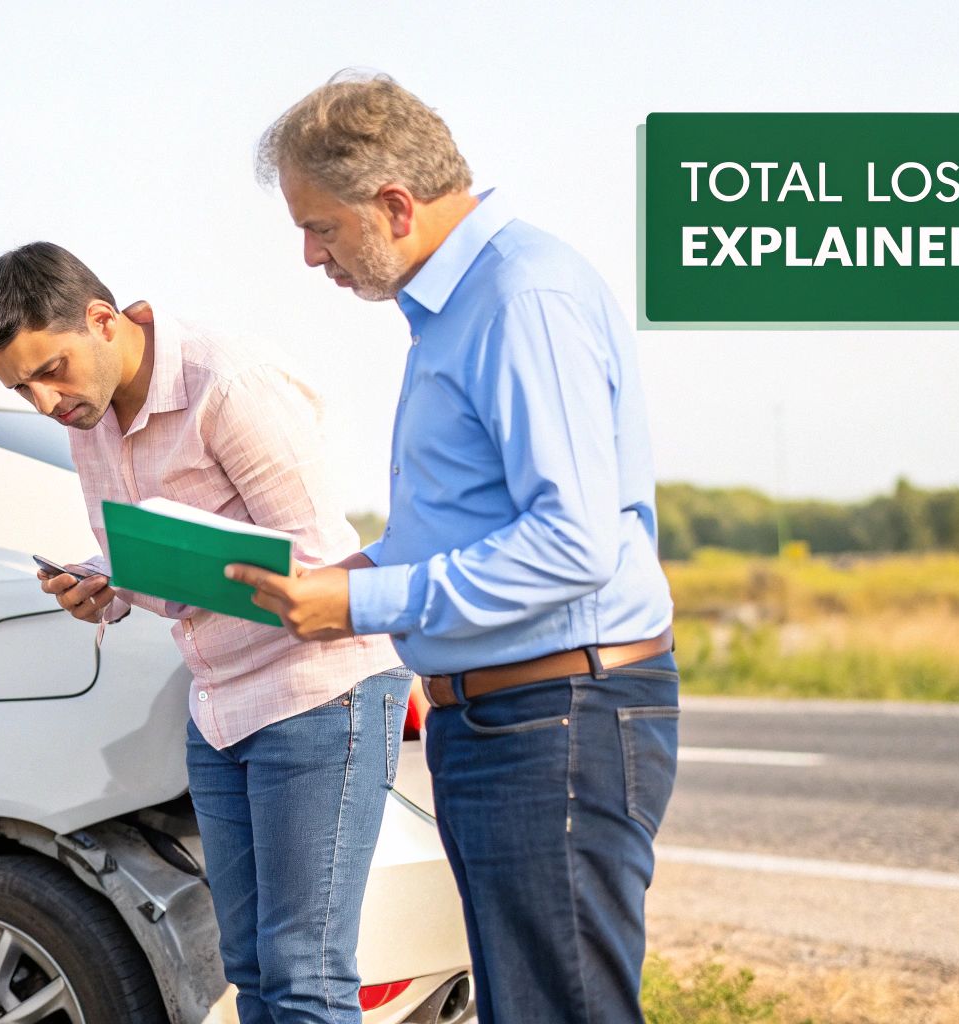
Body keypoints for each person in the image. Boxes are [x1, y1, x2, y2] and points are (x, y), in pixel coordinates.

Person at [228, 72, 680, 1024]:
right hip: (501, 721)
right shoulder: (459, 307)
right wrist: (338, 579)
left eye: (321, 228)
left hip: (556, 713)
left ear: (394, 205)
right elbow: (462, 526)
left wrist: (362, 606)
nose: (312, 257)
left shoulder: (522, 298)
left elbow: (572, 543)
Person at [0, 241, 409, 1024]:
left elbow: (316, 561)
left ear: (102, 321)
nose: (44, 401)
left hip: (318, 689)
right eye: (20, 387)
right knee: (250, 966)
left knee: (305, 970)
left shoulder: (227, 383)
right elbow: (142, 547)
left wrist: (186, 566)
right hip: (218, 704)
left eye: (51, 370)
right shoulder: (86, 413)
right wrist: (106, 581)